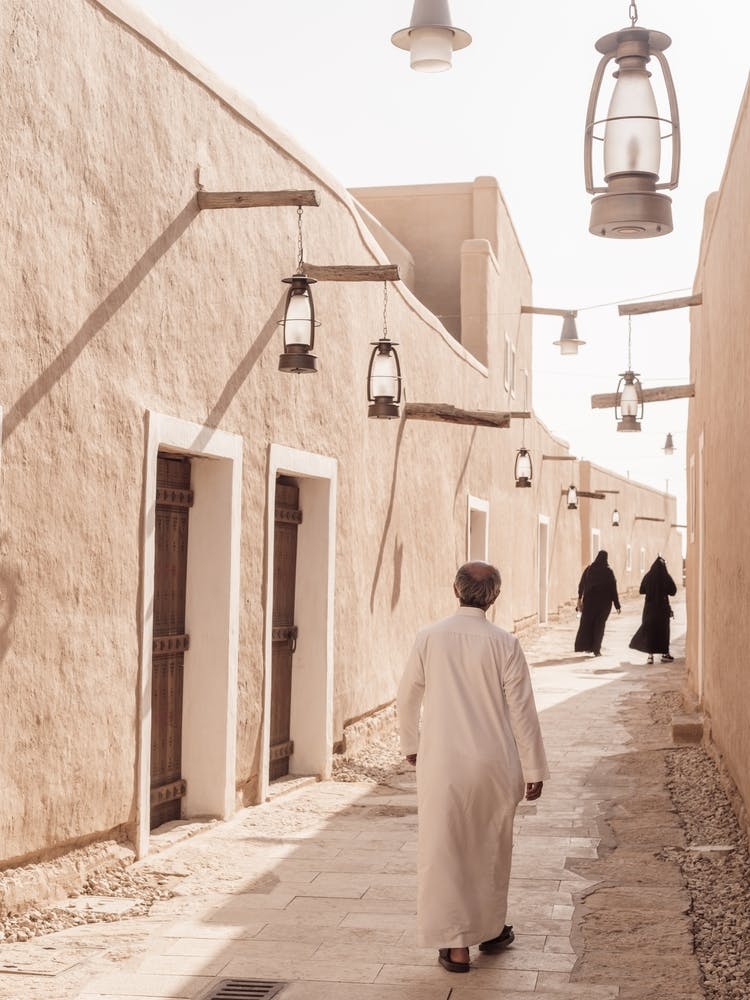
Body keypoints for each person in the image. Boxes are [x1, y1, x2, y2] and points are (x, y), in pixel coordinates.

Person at [397, 561, 549, 975]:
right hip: (494, 763)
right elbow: (522, 711)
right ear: (495, 596)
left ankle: (457, 946)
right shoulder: (505, 643)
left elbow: (407, 696)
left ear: (455, 589)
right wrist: (534, 768)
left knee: (445, 849)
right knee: (490, 847)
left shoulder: (429, 638)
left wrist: (412, 744)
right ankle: (490, 928)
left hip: (443, 763)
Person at [629, 555, 678, 664]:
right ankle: (665, 654)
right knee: (663, 632)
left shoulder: (648, 576)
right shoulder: (665, 576)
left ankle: (650, 657)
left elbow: (641, 590)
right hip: (662, 609)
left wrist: (651, 589)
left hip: (649, 609)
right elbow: (673, 591)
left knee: (650, 632)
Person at [574, 550, 621, 656]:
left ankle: (587, 646)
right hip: (604, 605)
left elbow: (581, 584)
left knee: (588, 624)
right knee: (599, 626)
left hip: (589, 603)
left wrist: (580, 597)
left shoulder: (589, 569)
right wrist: (617, 605)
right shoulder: (609, 571)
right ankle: (596, 650)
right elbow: (613, 589)